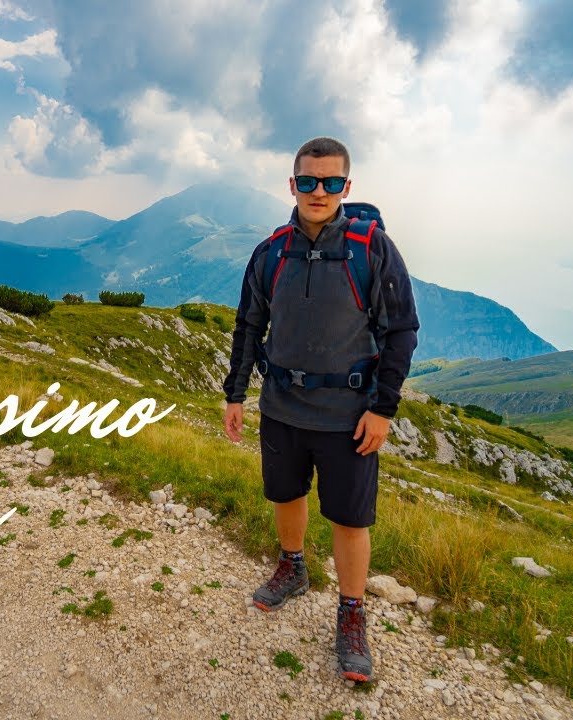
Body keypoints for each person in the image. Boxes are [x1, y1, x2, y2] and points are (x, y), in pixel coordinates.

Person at [221, 136, 419, 683]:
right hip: (282, 405)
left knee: (350, 517)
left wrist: (383, 409)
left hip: (348, 415)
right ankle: (293, 567)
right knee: (284, 494)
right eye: (308, 181)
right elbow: (248, 327)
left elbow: (401, 331)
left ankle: (352, 614)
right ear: (293, 184)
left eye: (331, 183)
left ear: (346, 187)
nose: (319, 191)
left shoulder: (372, 249)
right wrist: (236, 393)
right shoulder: (270, 252)